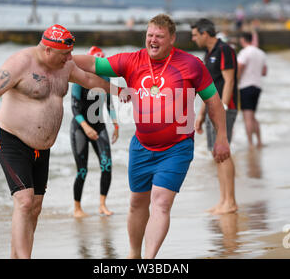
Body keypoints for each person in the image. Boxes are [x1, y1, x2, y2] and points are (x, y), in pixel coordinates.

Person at [73, 14, 231, 259]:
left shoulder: (191, 64)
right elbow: (94, 65)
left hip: (177, 146)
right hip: (142, 147)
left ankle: (149, 259)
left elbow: (214, 102)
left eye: (159, 36)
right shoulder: (132, 60)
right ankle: (134, 254)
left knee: (161, 202)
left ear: (172, 39)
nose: (153, 40)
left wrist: (221, 137)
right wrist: (62, 56)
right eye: (149, 36)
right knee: (137, 203)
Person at [0, 24, 123, 259]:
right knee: (24, 201)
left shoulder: (65, 66)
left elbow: (91, 81)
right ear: (48, 51)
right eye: (65, 54)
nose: (71, 58)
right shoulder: (20, 63)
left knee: (35, 207)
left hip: (42, 148)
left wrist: (123, 92)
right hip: (12, 139)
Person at [191, 18, 239, 215]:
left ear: (205, 33)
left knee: (223, 151)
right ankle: (223, 200)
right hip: (211, 108)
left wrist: (224, 108)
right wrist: (201, 114)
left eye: (195, 35)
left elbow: (229, 81)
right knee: (216, 154)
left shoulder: (224, 50)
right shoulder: (208, 53)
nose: (193, 39)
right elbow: (207, 87)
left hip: (224, 109)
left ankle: (231, 202)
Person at [70, 46, 119, 218]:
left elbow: (109, 104)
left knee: (107, 166)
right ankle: (77, 208)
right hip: (80, 128)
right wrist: (86, 127)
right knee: (82, 170)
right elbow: (75, 109)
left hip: (99, 127)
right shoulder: (78, 79)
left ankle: (102, 205)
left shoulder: (105, 78)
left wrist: (115, 124)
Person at [237, 32, 267, 147]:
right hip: (258, 86)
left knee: (247, 117)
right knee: (253, 115)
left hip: (246, 86)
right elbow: (264, 72)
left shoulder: (244, 52)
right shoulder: (261, 53)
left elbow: (240, 67)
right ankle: (259, 141)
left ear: (243, 40)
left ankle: (250, 143)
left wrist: (236, 80)